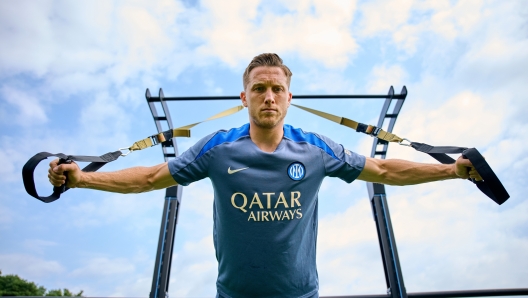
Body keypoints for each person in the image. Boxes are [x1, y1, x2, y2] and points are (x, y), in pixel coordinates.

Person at [48, 53, 482, 298]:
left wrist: (453, 171)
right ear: (244, 97)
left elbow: (385, 168)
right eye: (259, 88)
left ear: (289, 98)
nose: (268, 96)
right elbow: (149, 177)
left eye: (277, 89)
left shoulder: (317, 148)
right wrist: (81, 179)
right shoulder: (218, 148)